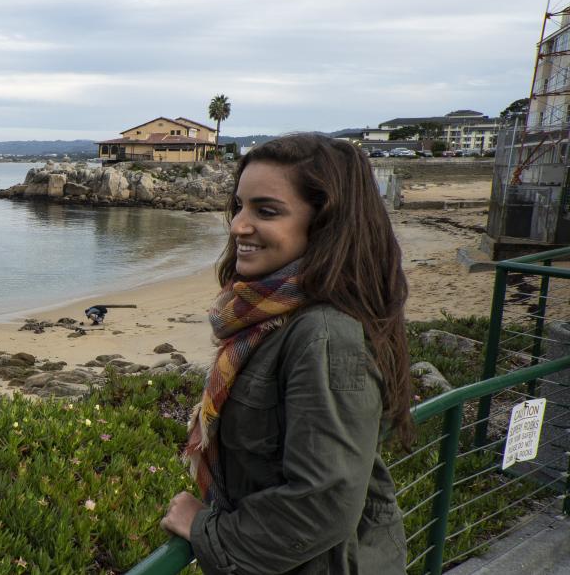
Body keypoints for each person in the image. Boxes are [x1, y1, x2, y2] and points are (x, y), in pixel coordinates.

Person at [160, 133, 411, 573]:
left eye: (266, 211)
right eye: (239, 206)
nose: (238, 225)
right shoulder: (276, 318)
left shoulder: (326, 334)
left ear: (326, 223)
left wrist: (206, 529)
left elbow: (323, 503)